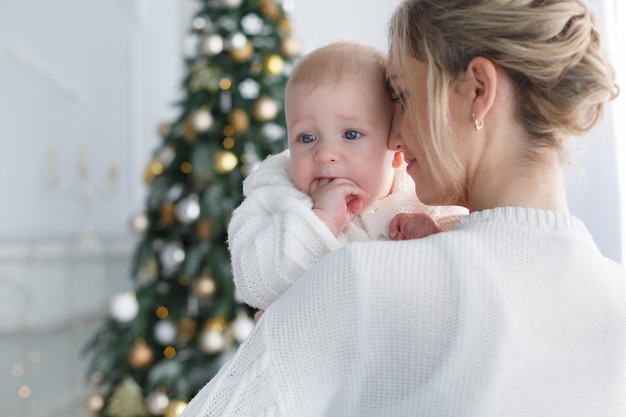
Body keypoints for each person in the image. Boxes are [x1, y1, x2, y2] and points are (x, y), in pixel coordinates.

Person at [181, 1, 626, 416]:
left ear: (478, 90)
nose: (393, 137)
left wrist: (298, 320)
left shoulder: (362, 281)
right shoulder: (616, 304)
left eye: (404, 96)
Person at [228, 40, 466, 311]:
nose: (325, 153)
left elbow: (449, 300)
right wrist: (320, 220)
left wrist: (432, 246)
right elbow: (256, 284)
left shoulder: (425, 200)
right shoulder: (275, 198)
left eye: (351, 134)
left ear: (397, 148)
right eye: (306, 137)